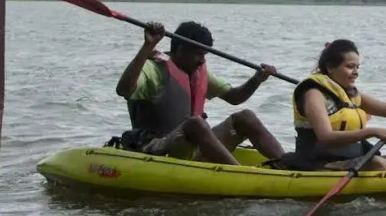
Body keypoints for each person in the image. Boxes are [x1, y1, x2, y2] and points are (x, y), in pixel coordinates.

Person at [113, 19, 290, 166]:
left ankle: (289, 167)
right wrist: (147, 46)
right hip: (157, 148)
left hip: (191, 147)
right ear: (181, 50)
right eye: (198, 54)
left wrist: (257, 79)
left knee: (246, 117)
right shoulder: (153, 69)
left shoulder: (196, 72)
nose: (202, 61)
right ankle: (241, 176)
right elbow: (123, 90)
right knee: (195, 123)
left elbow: (235, 97)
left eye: (205, 54)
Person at [291, 39, 386, 171]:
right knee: (378, 163)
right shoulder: (313, 93)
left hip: (353, 159)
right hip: (319, 164)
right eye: (350, 66)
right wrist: (370, 132)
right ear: (330, 67)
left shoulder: (351, 96)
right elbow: (326, 137)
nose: (356, 72)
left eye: (357, 67)